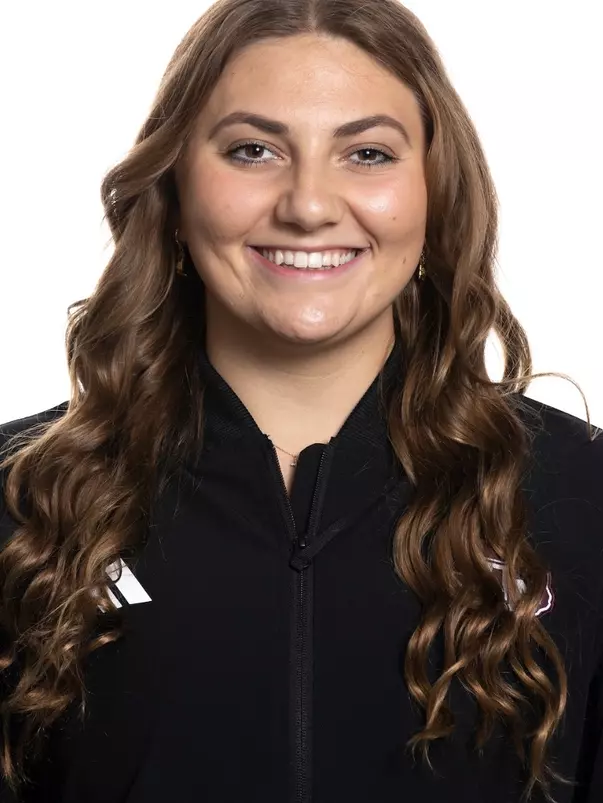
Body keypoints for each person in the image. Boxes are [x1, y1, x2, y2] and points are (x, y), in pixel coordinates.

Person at [0, 0, 601, 801]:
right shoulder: (19, 499)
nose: (309, 205)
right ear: (174, 187)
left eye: (367, 153)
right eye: (252, 150)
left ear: (434, 190)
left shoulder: (582, 493)